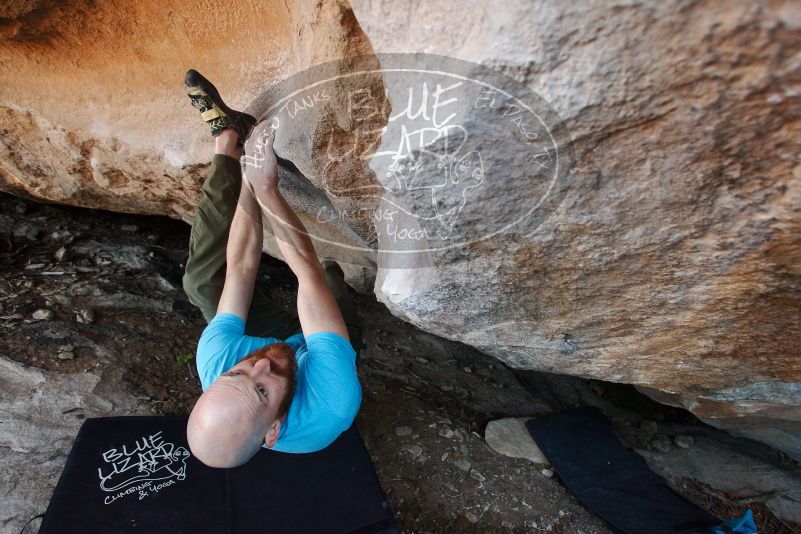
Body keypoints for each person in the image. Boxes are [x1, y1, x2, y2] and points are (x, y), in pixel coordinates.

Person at [180, 70, 363, 468]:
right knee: (327, 282)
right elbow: (306, 272)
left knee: (202, 285)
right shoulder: (330, 403)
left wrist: (249, 173)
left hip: (288, 343)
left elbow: (242, 265)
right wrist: (268, 188)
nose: (258, 364)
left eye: (237, 375)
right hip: (318, 357)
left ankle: (228, 139)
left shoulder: (217, 361)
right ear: (273, 430)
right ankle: (343, 297)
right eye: (262, 390)